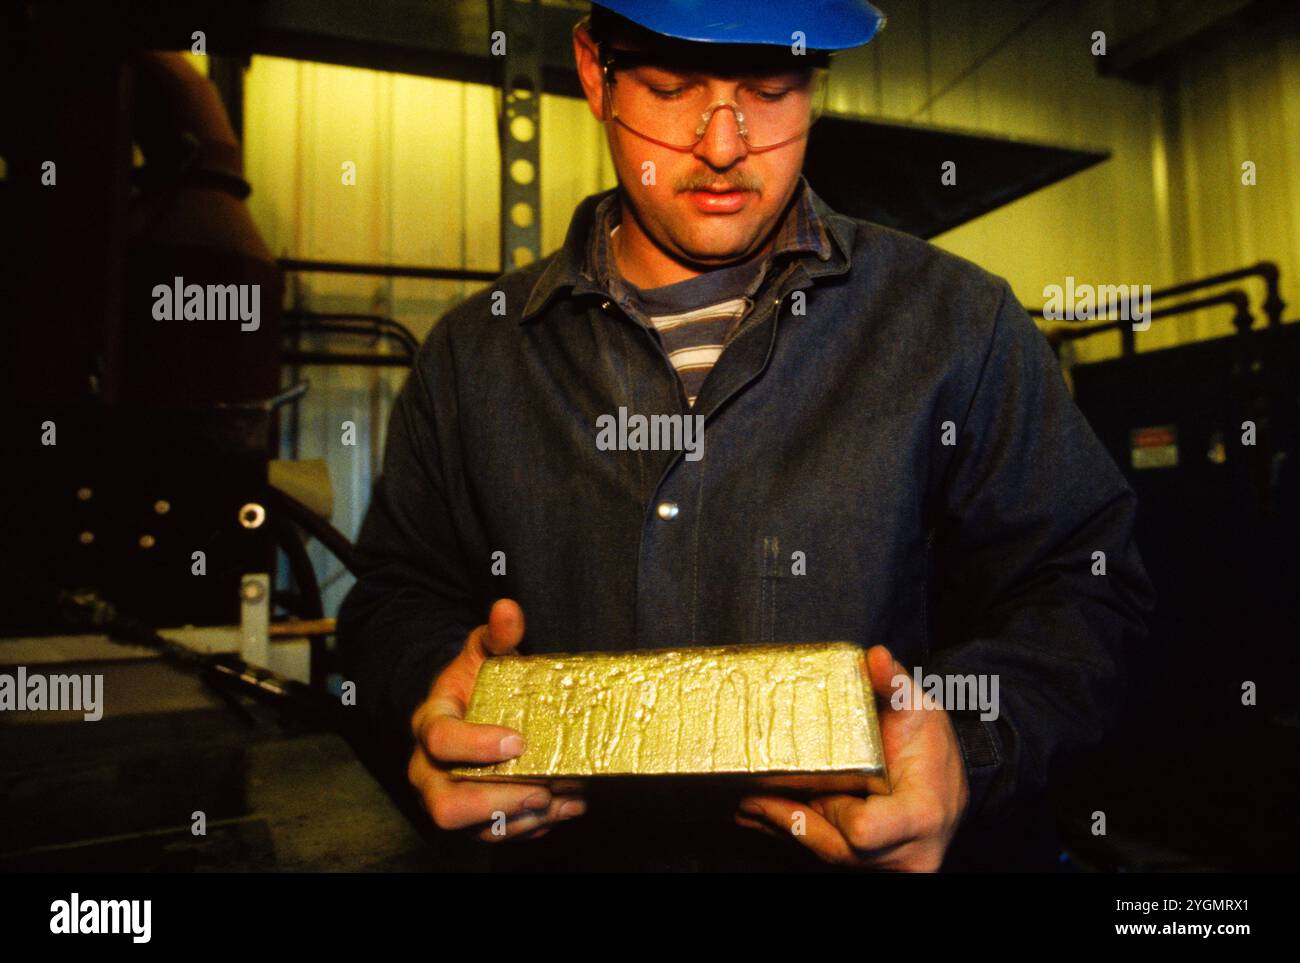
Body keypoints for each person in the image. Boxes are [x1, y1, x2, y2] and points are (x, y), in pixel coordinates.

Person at [337, 0, 1155, 872]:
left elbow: (1089, 591)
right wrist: (428, 690)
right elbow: (394, 598)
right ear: (592, 72)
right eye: (669, 84)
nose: (723, 144)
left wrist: (970, 747)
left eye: (769, 88)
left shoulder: (960, 326)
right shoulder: (474, 355)